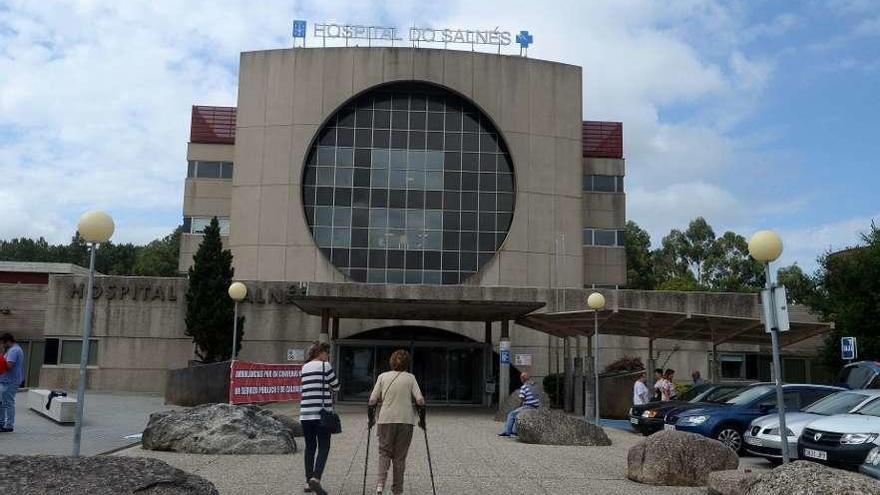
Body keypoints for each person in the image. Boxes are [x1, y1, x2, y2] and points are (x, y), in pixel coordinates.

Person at [368, 350, 426, 495]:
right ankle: (397, 490)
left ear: (391, 361)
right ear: (407, 363)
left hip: (386, 420)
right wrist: (422, 420)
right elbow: (420, 400)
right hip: (406, 421)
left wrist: (371, 419)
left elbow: (372, 400)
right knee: (400, 457)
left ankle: (380, 484)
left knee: (384, 452)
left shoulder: (382, 376)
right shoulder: (411, 378)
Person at [299, 341, 339, 495]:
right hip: (322, 415)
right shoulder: (325, 366)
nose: (328, 355)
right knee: (324, 446)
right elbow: (336, 386)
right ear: (321, 352)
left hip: (305, 414)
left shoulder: (304, 367)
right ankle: (316, 478)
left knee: (310, 447)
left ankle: (308, 482)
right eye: (326, 352)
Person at [499, 372, 540, 437]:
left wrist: (517, 407)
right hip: (536, 407)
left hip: (528, 407)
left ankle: (507, 432)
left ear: (522, 379)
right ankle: (514, 431)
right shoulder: (534, 386)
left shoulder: (524, 387)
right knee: (517, 414)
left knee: (511, 414)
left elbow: (521, 400)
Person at [0, 333, 24, 433]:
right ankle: (3, 423)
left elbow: (8, 366)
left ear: (8, 341)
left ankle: (9, 425)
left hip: (10, 381)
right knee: (3, 403)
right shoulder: (12, 350)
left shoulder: (14, 350)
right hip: (7, 380)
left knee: (8, 403)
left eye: (3, 343)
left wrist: (1, 355)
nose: (2, 345)